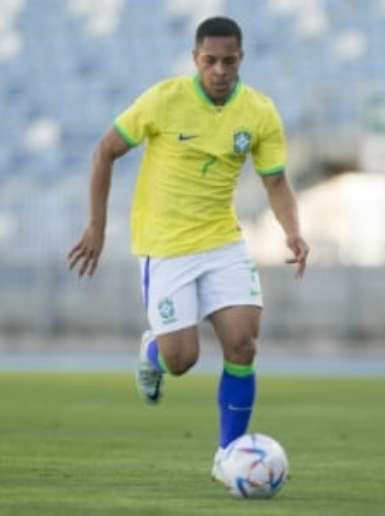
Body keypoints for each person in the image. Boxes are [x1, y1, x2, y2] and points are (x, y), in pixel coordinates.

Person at [67, 17, 308, 480]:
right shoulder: (164, 100)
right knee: (182, 360)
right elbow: (105, 151)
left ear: (242, 59)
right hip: (166, 246)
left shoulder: (259, 112)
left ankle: (227, 455)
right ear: (195, 59)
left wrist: (292, 231)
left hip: (223, 241)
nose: (219, 70)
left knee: (242, 344)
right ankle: (153, 351)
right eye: (210, 60)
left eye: (229, 61)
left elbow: (275, 179)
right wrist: (96, 226)